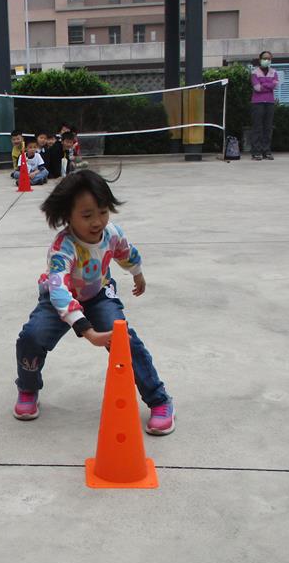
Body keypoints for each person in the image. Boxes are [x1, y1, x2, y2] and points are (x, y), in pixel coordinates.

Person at [12, 170, 174, 435]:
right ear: (68, 216)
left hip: (98, 293)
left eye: (103, 212)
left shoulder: (112, 233)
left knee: (123, 339)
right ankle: (28, 388)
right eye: (87, 216)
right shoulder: (62, 248)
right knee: (32, 336)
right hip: (60, 298)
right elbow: (59, 292)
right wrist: (87, 331)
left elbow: (126, 252)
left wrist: (137, 274)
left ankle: (159, 400)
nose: (97, 222)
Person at [250, 50, 279, 160]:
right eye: (264, 58)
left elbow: (275, 85)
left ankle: (266, 151)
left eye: (269, 58)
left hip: (270, 102)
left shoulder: (274, 72)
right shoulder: (255, 72)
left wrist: (264, 84)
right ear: (260, 59)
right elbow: (257, 87)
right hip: (257, 103)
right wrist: (268, 85)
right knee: (257, 127)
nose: (266, 60)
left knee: (268, 127)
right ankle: (256, 151)